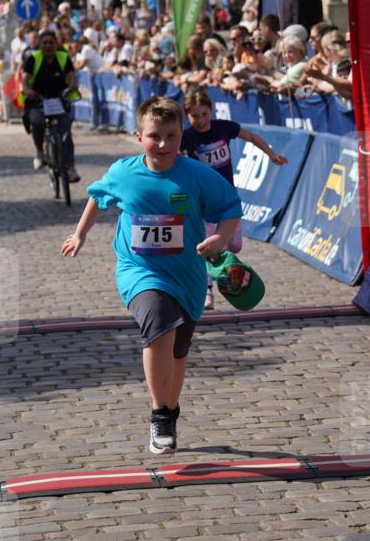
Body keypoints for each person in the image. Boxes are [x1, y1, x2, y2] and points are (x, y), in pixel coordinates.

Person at [61, 96, 242, 454]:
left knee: (178, 348)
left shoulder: (197, 175)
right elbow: (99, 196)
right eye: (154, 136)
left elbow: (230, 207)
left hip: (188, 274)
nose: (163, 144)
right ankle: (159, 414)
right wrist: (80, 233)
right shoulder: (125, 173)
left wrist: (221, 237)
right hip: (139, 271)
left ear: (181, 135)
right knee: (159, 324)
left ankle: (171, 410)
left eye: (171, 136)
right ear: (138, 135)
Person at [181, 88, 288, 309]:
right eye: (194, 116)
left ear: (211, 111)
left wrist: (271, 154)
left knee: (234, 246)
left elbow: (251, 136)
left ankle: (219, 265)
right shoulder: (187, 137)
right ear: (187, 117)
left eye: (203, 114)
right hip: (204, 203)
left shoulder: (223, 127)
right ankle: (207, 292)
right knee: (209, 247)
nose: (200, 120)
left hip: (228, 199)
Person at [21, 29, 80, 181]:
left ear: (56, 44)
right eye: (44, 43)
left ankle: (70, 167)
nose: (48, 46)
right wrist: (27, 90)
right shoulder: (32, 58)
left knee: (66, 130)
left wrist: (72, 87)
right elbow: (25, 79)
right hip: (38, 100)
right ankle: (40, 152)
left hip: (59, 100)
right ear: (39, 44)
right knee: (37, 122)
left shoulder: (63, 57)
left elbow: (71, 76)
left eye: (51, 43)